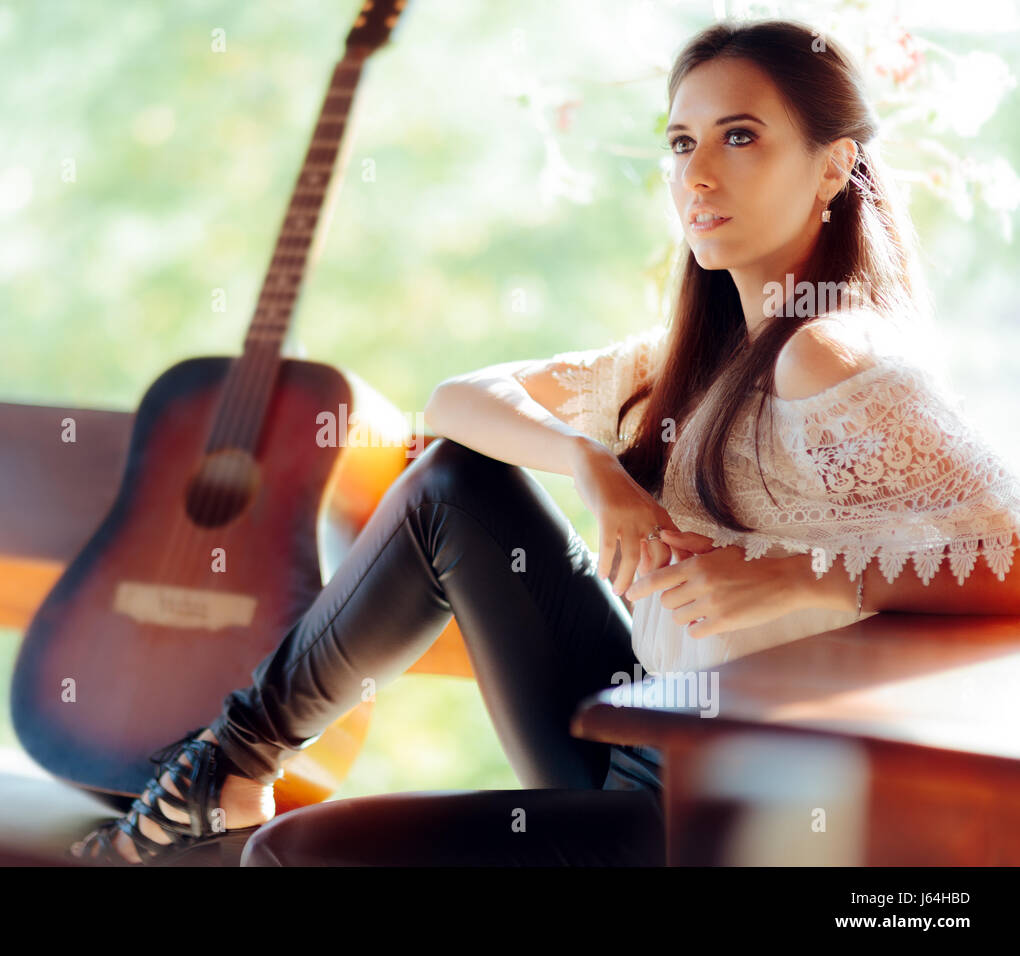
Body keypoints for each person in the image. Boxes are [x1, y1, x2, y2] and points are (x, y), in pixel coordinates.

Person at [69, 18, 1020, 866]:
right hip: (636, 731)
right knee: (451, 484)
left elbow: (1010, 550)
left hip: (735, 809)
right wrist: (592, 464)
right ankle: (227, 765)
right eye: (681, 141)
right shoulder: (697, 359)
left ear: (832, 166)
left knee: (299, 855)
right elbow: (454, 400)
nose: (697, 174)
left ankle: (216, 786)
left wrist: (805, 576)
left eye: (741, 137)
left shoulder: (828, 351)